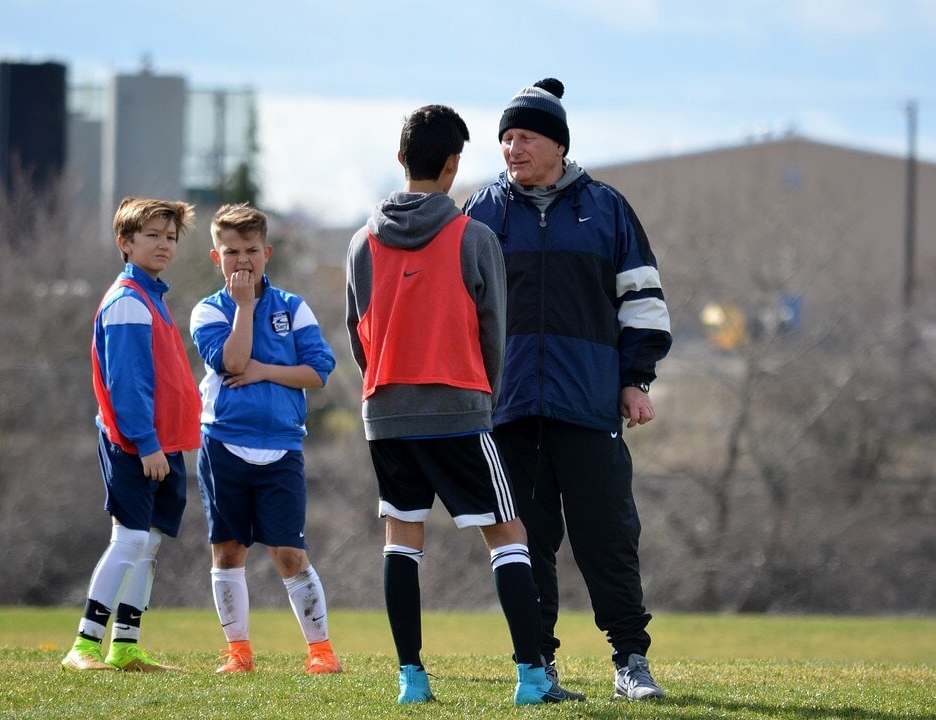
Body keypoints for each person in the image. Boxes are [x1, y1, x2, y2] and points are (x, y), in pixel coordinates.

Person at [344, 104, 571, 706]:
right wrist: (481, 395)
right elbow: (494, 328)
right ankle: (530, 677)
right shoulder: (474, 237)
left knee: (401, 537)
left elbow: (356, 330)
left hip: (385, 410)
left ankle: (411, 681)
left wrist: (385, 388)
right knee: (508, 534)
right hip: (459, 407)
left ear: (400, 159)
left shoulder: (361, 242)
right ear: (453, 165)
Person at [462, 78, 674, 701]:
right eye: (505, 138)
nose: (512, 148)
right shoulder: (483, 213)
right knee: (526, 542)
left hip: (589, 406)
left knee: (608, 535)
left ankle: (630, 662)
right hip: (509, 408)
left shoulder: (607, 208)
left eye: (525, 136)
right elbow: (458, 311)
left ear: (557, 144)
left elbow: (644, 302)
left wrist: (635, 379)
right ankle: (540, 665)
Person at [189, 203, 342, 676]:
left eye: (251, 250)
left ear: (267, 252)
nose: (243, 260)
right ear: (217, 258)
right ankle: (238, 652)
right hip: (223, 444)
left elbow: (319, 370)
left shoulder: (294, 309)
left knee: (290, 554)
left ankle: (321, 652)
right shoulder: (207, 311)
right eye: (231, 251)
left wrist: (265, 372)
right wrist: (245, 309)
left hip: (282, 446)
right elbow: (232, 362)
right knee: (229, 551)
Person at [61, 197, 202, 673]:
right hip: (138, 445)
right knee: (129, 540)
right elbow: (127, 383)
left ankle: (125, 647)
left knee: (149, 542)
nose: (164, 244)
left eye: (170, 237)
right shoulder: (127, 303)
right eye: (152, 235)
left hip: (163, 444)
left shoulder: (152, 298)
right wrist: (146, 443)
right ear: (125, 243)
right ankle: (83, 646)